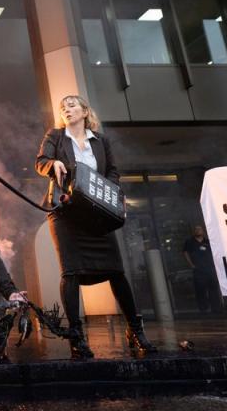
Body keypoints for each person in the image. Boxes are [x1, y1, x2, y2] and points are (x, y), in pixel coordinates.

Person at [35, 95, 156, 359]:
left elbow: (113, 172)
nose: (67, 110)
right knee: (71, 272)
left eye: (72, 106)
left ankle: (135, 330)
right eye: (63, 108)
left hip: (95, 213)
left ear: (84, 111)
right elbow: (41, 161)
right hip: (65, 212)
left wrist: (108, 192)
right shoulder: (55, 135)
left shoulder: (101, 141)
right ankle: (76, 337)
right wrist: (52, 164)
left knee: (116, 271)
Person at [182, 225, 222, 314]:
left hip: (210, 268)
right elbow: (185, 252)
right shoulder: (190, 242)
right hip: (198, 269)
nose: (198, 231)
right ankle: (203, 309)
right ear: (194, 231)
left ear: (203, 231)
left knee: (213, 288)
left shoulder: (207, 242)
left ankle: (216, 308)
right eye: (196, 229)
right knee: (200, 289)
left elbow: (215, 253)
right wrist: (191, 265)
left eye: (200, 229)